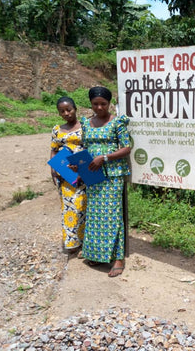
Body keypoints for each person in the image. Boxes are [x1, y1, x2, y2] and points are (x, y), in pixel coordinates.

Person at [80, 86, 131, 277]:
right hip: (93, 175)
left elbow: (126, 148)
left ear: (109, 104)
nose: (99, 107)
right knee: (95, 216)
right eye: (95, 104)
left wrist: (105, 157)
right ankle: (98, 255)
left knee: (113, 215)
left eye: (103, 104)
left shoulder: (117, 122)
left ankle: (118, 259)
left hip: (112, 174)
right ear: (91, 104)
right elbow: (85, 146)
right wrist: (79, 164)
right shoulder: (86, 123)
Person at [50, 96, 86, 256]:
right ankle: (72, 242)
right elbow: (54, 149)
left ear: (75, 108)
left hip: (83, 170)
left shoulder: (85, 125)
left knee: (83, 206)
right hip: (64, 174)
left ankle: (85, 242)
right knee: (68, 208)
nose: (66, 113)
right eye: (62, 111)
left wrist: (81, 166)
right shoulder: (57, 129)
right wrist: (53, 169)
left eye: (68, 109)